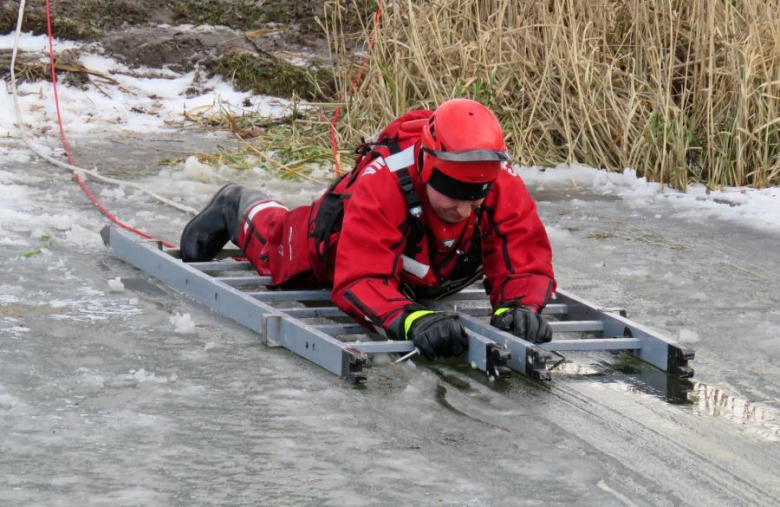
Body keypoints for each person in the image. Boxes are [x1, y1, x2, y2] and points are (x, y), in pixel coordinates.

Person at [179, 98, 556, 361]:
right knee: (275, 248)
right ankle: (236, 204)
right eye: (453, 197)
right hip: (341, 238)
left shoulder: (496, 178)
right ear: (428, 167)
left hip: (426, 262)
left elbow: (522, 251)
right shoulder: (385, 182)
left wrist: (518, 307)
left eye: (474, 201)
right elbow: (359, 279)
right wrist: (409, 318)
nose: (463, 210)